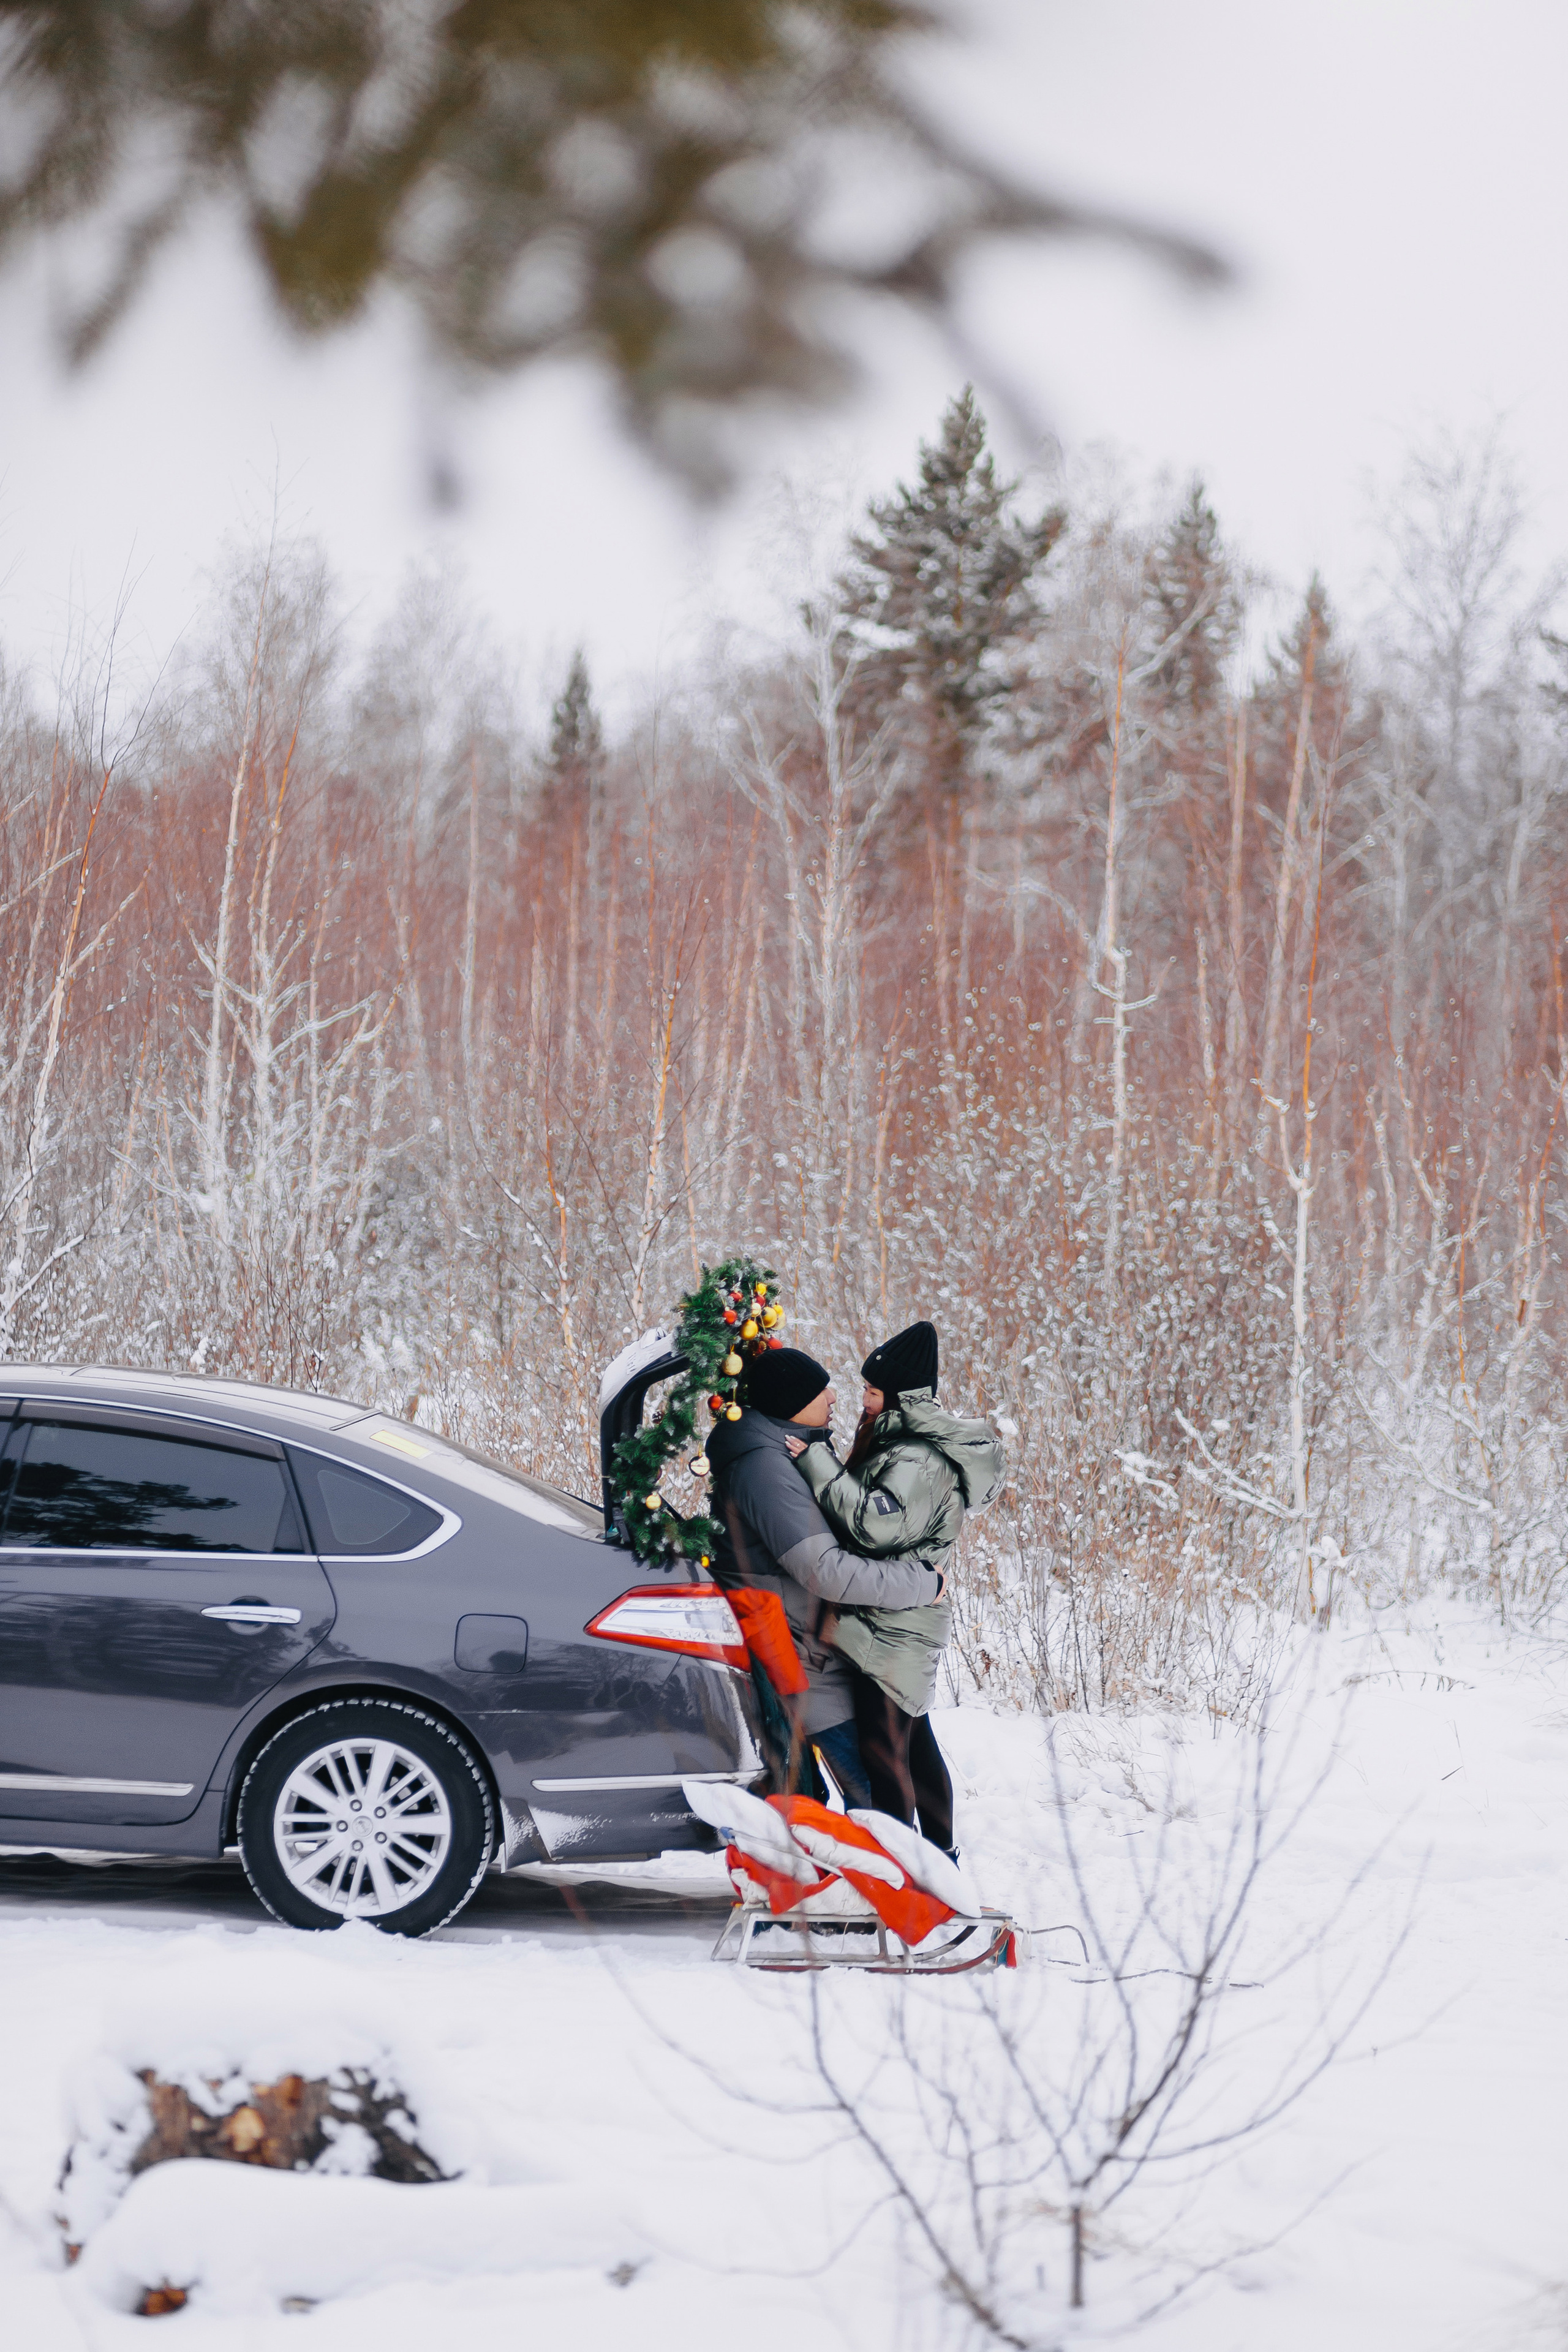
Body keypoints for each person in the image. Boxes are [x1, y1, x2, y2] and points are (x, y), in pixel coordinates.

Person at [784, 1321, 1003, 1860]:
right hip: (894, 1619)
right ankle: (938, 1865)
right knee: (915, 1747)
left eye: (873, 1391)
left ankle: (901, 1874)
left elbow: (876, 1526)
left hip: (896, 1624)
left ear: (902, 1398)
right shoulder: (902, 1445)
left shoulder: (917, 1459)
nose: (863, 1399)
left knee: (887, 1756)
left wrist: (813, 1460)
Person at [704, 1346, 945, 1810]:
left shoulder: (790, 1447)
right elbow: (825, 1571)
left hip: (824, 1644)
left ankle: (900, 1857)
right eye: (821, 1390)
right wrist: (922, 1584)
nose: (834, 1396)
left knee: (890, 1780)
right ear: (791, 1403)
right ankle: (874, 1860)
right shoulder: (765, 1469)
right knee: (874, 1797)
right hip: (805, 1656)